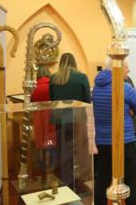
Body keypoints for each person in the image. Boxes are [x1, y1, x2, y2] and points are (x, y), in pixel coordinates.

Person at [92, 58, 136, 205]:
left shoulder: (96, 88)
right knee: (132, 180)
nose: (129, 70)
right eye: (126, 67)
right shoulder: (125, 88)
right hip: (125, 142)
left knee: (102, 179)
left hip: (103, 143)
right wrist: (131, 110)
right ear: (118, 68)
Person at [49, 53, 91, 186]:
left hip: (59, 117)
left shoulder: (54, 78)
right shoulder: (81, 77)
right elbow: (87, 100)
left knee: (63, 148)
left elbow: (52, 98)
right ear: (74, 63)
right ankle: (82, 177)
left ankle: (65, 177)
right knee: (80, 147)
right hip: (76, 117)